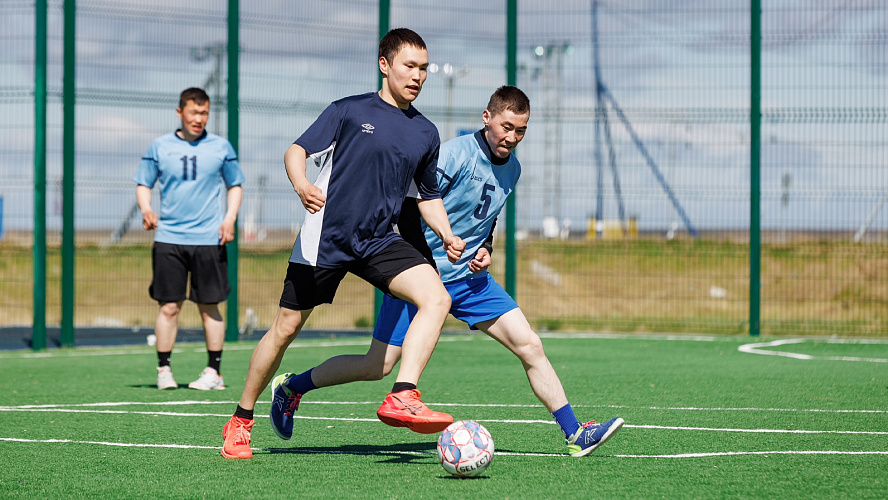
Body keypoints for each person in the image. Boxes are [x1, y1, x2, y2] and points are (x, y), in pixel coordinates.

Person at [268, 86, 624, 457]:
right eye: (506, 127)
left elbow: (488, 219)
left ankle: (575, 433)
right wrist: (421, 266)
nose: (512, 137)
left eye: (520, 131)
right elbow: (409, 207)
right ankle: (293, 388)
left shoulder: (513, 169)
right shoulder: (454, 154)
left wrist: (485, 249)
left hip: (471, 282)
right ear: (487, 118)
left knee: (530, 344)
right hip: (419, 276)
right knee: (378, 366)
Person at [220, 28, 466, 459]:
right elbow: (296, 151)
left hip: (379, 241)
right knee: (285, 329)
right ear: (384, 65)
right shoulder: (349, 111)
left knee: (436, 298)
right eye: (409, 66)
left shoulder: (426, 133)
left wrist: (446, 234)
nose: (418, 76)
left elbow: (427, 197)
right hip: (326, 237)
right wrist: (301, 185)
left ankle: (403, 393)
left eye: (424, 68)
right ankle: (241, 419)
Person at [133, 87, 245, 391]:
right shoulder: (159, 146)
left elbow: (234, 185)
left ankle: (214, 373)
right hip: (169, 239)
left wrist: (229, 219)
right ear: (180, 112)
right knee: (169, 306)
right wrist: (146, 208)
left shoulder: (221, 147)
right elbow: (144, 183)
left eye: (204, 113)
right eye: (194, 112)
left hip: (210, 240)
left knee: (209, 306)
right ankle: (164, 371)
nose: (199, 119)